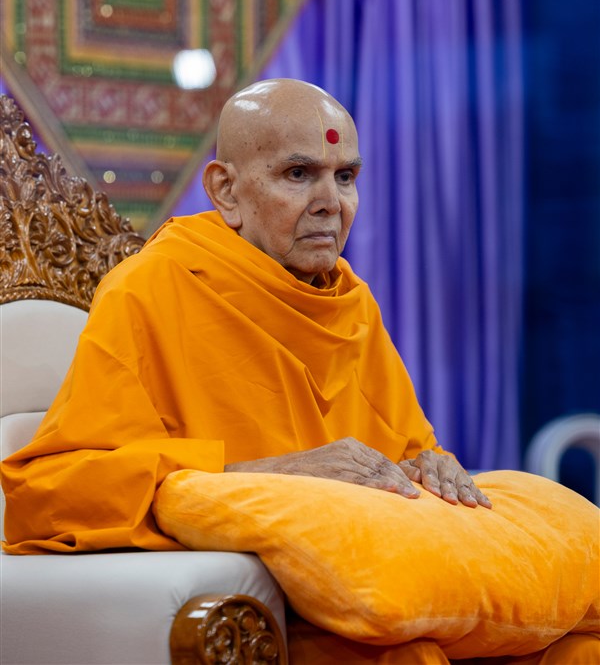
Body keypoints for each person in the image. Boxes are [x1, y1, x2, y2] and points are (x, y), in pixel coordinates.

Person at [1, 80, 597, 664]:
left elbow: (403, 450)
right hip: (297, 611)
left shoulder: (351, 303)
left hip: (383, 580)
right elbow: (53, 490)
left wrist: (433, 466)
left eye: (346, 176)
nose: (331, 203)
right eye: (298, 174)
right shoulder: (150, 291)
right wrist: (268, 475)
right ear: (226, 190)